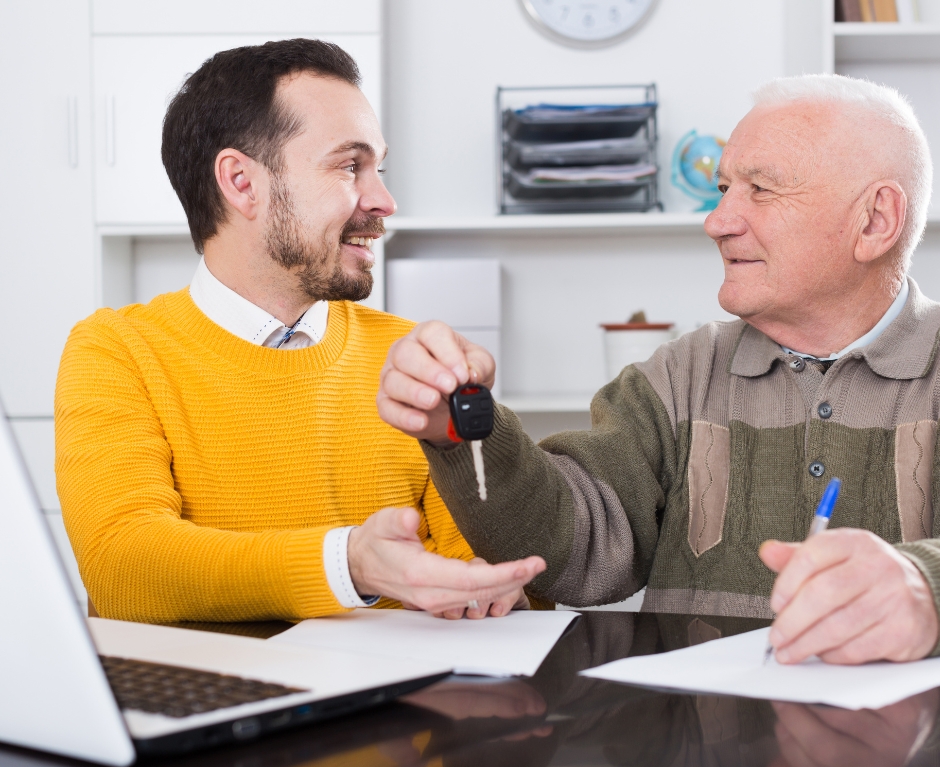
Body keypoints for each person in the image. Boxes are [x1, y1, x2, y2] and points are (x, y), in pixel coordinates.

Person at [376, 73, 940, 664]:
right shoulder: (676, 378)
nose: (718, 220)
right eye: (724, 188)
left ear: (876, 220)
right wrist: (466, 432)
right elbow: (573, 552)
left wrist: (924, 587)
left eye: (761, 190)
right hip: (701, 749)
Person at [54, 38, 544, 623]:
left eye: (378, 169)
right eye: (349, 166)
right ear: (241, 183)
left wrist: (496, 583)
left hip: (397, 704)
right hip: (216, 706)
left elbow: (493, 567)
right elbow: (124, 568)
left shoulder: (407, 359)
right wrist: (348, 564)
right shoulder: (118, 351)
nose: (384, 201)